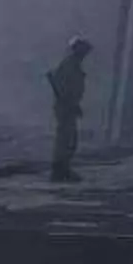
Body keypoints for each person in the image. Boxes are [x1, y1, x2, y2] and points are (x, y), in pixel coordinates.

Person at [46, 37, 92, 182]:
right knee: (65, 139)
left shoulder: (73, 65)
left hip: (68, 106)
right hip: (65, 106)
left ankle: (63, 168)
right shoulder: (69, 65)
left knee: (69, 139)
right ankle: (60, 169)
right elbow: (65, 89)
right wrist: (70, 104)